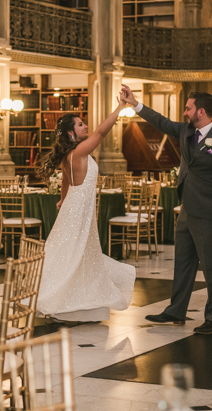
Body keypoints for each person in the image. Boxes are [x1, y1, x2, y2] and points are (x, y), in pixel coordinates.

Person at [120, 85, 212, 334]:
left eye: (188, 108)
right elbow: (161, 122)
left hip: (210, 212)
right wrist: (135, 104)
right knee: (183, 262)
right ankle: (177, 310)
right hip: (187, 209)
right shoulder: (187, 131)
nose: (184, 113)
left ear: (201, 111)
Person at [35, 97, 136, 322]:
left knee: (74, 253)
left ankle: (76, 298)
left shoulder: (71, 155)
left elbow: (65, 182)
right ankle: (61, 299)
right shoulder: (79, 152)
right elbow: (101, 133)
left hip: (75, 206)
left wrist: (62, 201)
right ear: (71, 134)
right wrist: (119, 108)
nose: (86, 127)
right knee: (73, 253)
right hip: (78, 209)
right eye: (80, 125)